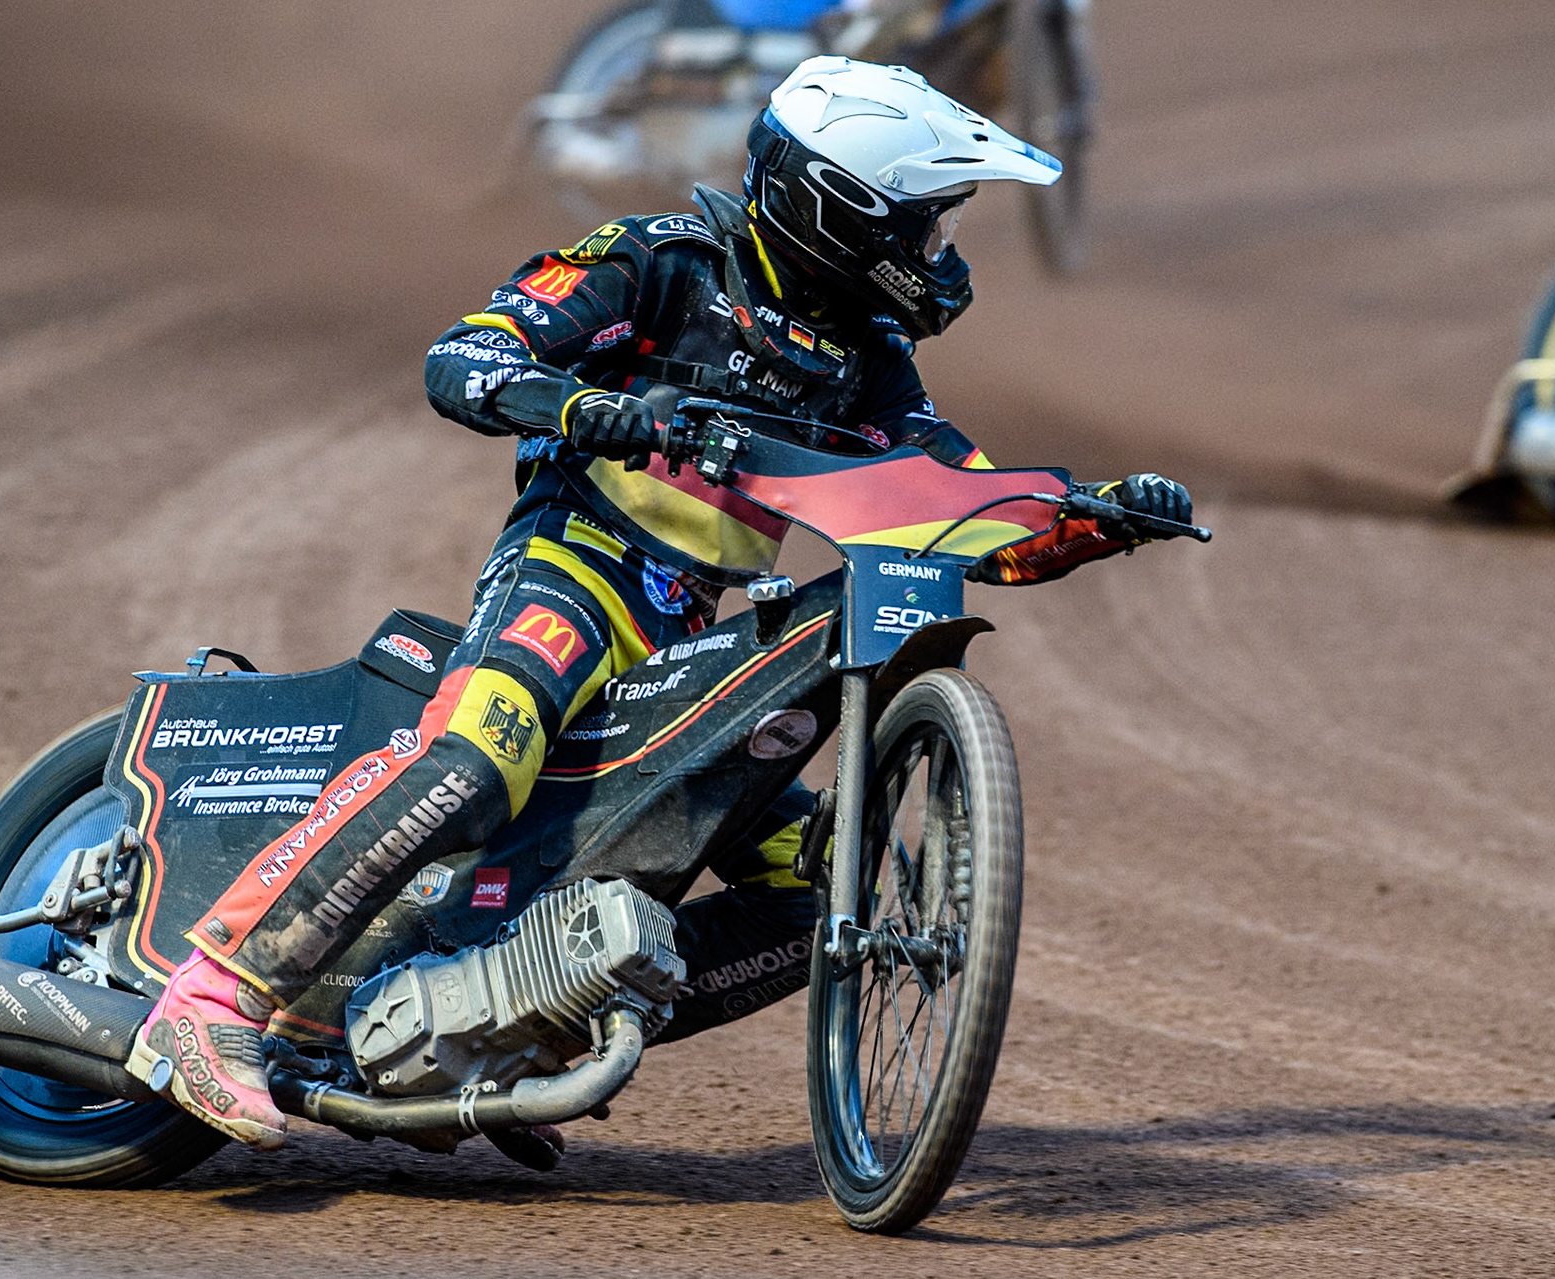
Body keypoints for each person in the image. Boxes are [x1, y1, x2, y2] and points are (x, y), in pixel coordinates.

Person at [125, 56, 1192, 1148]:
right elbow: (466, 358)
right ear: (841, 211)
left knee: (826, 882)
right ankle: (207, 1003)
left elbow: (953, 503)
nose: (940, 258)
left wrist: (1089, 516)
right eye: (926, 230)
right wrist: (587, 409)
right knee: (478, 757)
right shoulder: (660, 264)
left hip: (685, 643)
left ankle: (520, 1031)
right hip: (574, 567)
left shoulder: (869, 364)